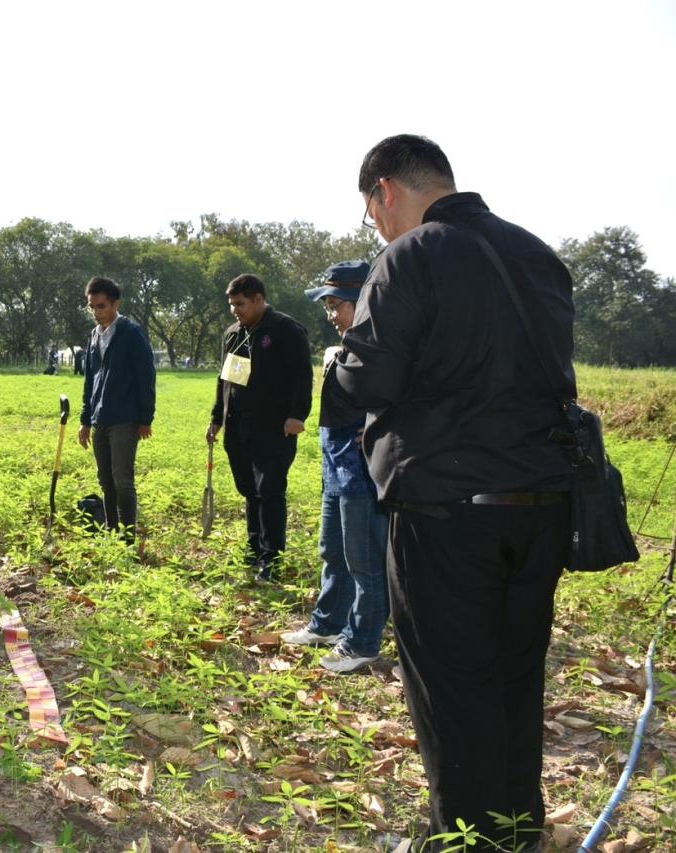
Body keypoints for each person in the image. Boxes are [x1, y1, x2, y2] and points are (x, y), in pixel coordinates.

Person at [335, 134, 575, 851]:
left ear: (386, 190)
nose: (377, 227)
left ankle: (463, 838)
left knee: (452, 686)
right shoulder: (536, 253)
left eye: (372, 211)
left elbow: (371, 379)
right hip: (540, 504)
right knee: (514, 677)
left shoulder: (409, 257)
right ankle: (517, 829)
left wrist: (338, 364)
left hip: (447, 508)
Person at [280, 261, 389, 674]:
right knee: (333, 551)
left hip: (362, 473)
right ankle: (328, 623)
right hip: (335, 466)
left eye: (336, 304)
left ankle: (362, 641)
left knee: (364, 561)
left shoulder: (382, 349)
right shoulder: (343, 346)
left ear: (362, 302)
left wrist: (379, 428)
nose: (330, 314)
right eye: (327, 305)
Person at [206, 274, 311, 581]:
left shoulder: (284, 330)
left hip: (274, 426)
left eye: (239, 304)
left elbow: (302, 376)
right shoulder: (234, 334)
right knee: (249, 490)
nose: (234, 310)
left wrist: (297, 415)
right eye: (231, 305)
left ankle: (271, 557)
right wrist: (217, 418)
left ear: (258, 300)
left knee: (270, 490)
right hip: (239, 425)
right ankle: (254, 547)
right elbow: (227, 380)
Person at [78, 276, 155, 544]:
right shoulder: (93, 336)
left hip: (125, 418)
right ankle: (111, 530)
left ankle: (128, 536)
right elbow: (90, 380)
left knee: (123, 480)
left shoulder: (131, 334)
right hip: (100, 418)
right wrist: (85, 420)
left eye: (101, 306)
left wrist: (146, 418)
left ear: (115, 304)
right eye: (92, 307)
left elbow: (147, 377)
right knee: (105, 480)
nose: (97, 312)